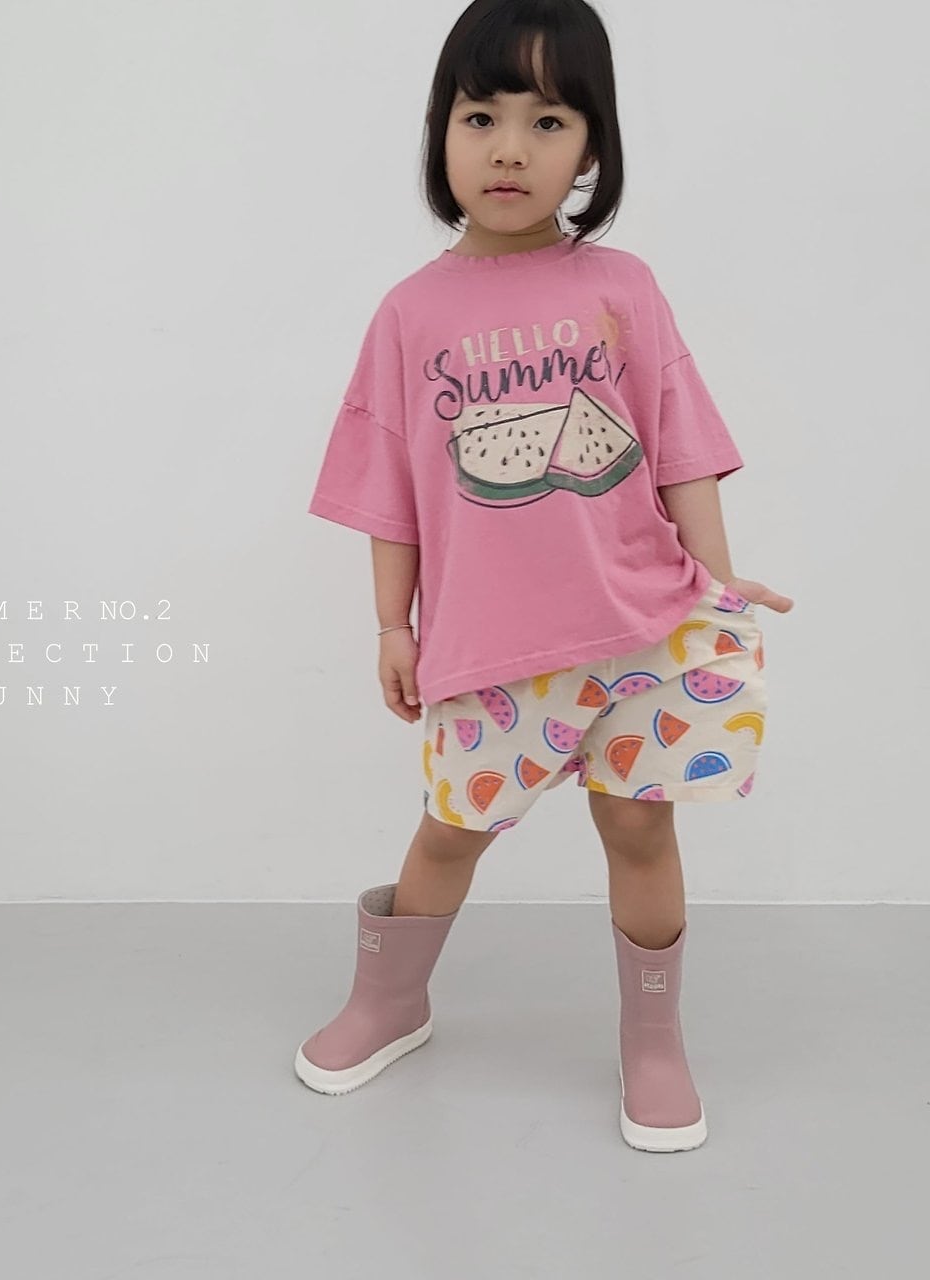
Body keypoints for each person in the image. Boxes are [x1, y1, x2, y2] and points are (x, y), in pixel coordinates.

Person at [294, 0, 795, 1153]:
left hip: (644, 629)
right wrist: (390, 625)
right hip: (488, 642)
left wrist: (718, 587)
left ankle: (652, 1039)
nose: (509, 148)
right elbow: (388, 488)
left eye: (547, 119)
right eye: (480, 117)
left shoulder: (623, 285)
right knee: (448, 832)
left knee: (639, 831)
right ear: (439, 131)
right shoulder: (409, 312)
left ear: (591, 149)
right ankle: (389, 997)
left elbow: (677, 448)